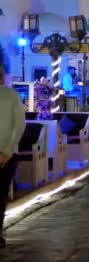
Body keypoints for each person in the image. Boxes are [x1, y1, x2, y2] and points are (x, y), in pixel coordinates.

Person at [0, 65, 26, 248]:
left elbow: (18, 126)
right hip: (6, 156)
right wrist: (7, 152)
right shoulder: (11, 96)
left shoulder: (10, 96)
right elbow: (19, 126)